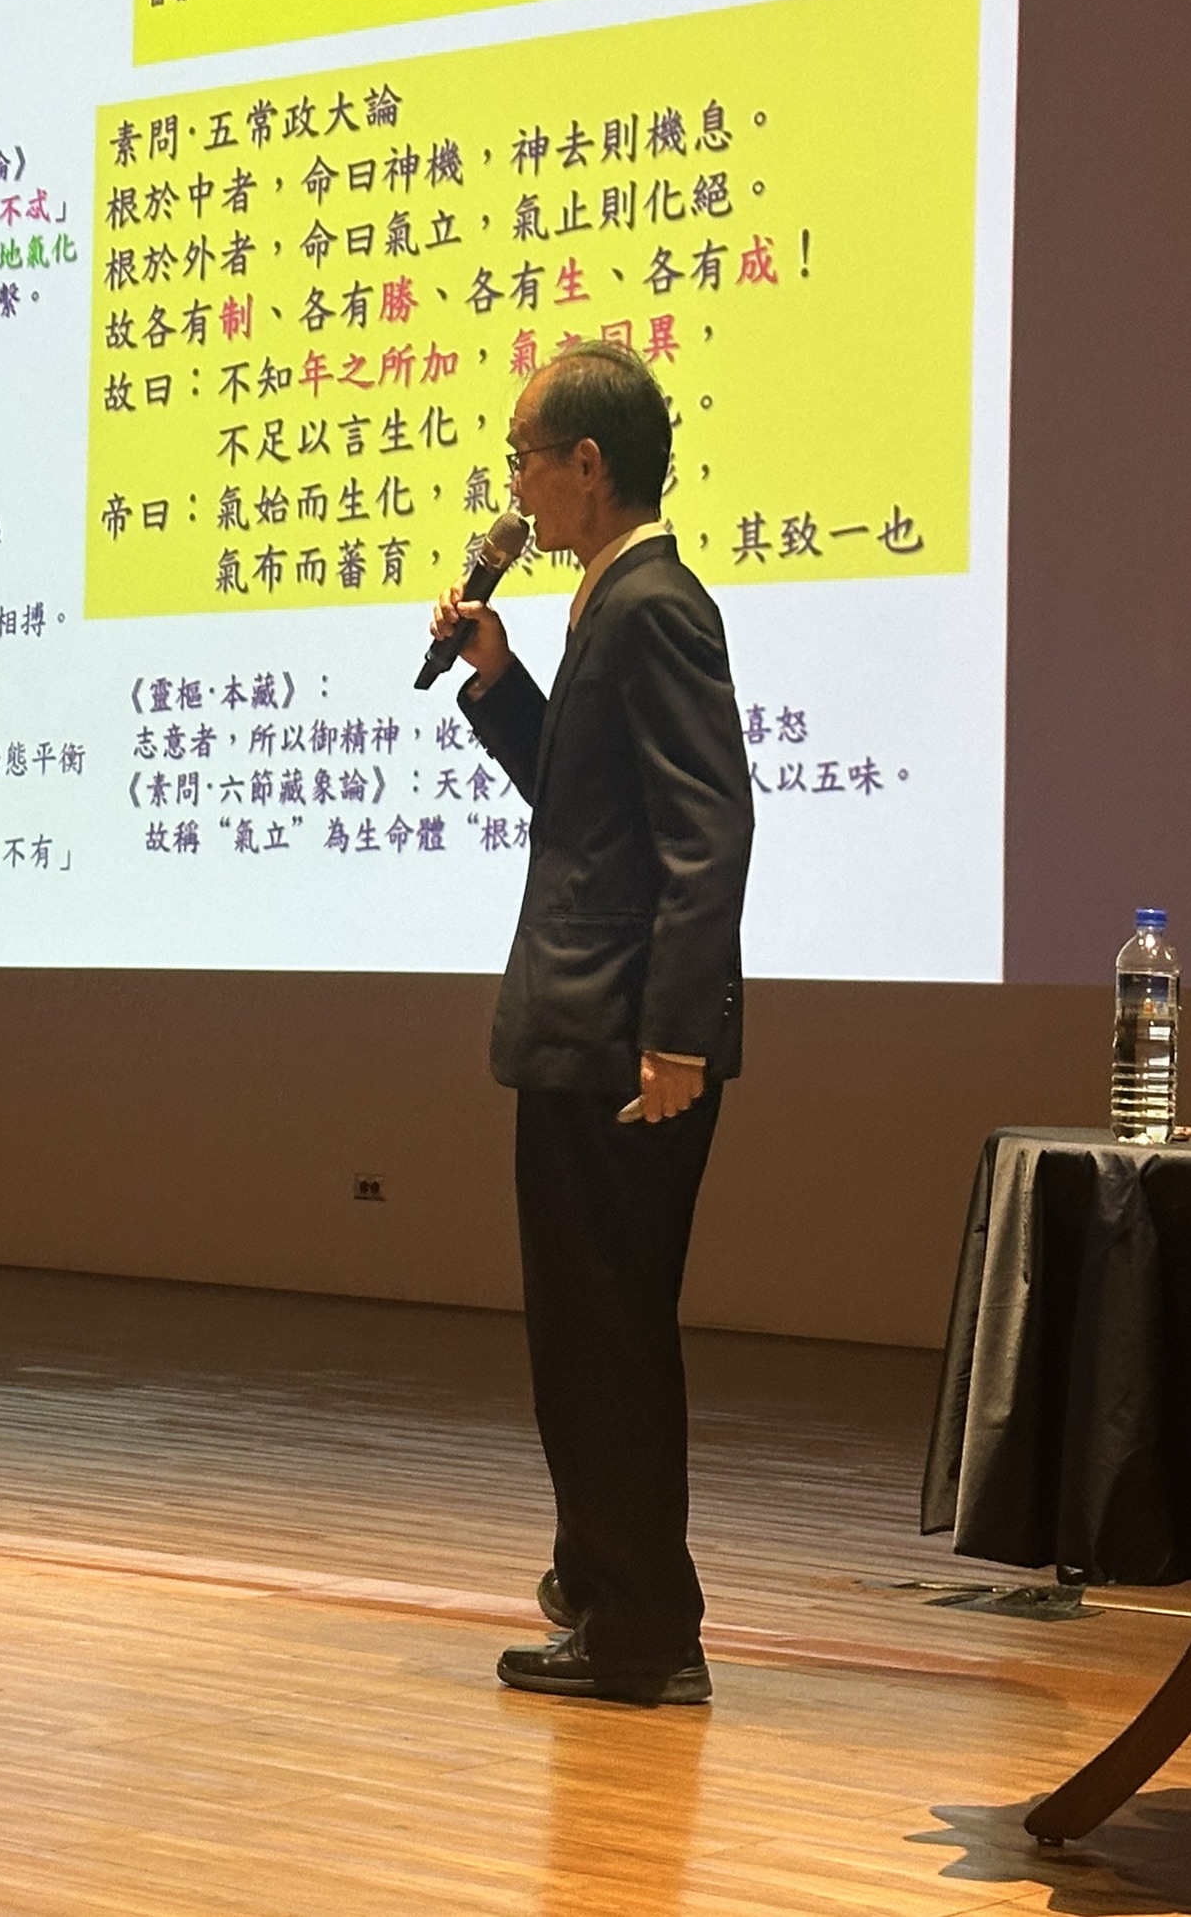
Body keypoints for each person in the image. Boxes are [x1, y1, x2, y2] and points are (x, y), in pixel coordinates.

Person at [430, 342, 753, 1706]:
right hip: (589, 1030)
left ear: (586, 463)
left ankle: (640, 1630)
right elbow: (589, 815)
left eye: (522, 457)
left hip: (623, 1042)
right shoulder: (606, 602)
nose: (511, 486)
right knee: (583, 1332)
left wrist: (675, 1036)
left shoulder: (653, 605)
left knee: (605, 1335)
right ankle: (603, 1586)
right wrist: (496, 681)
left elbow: (707, 829)